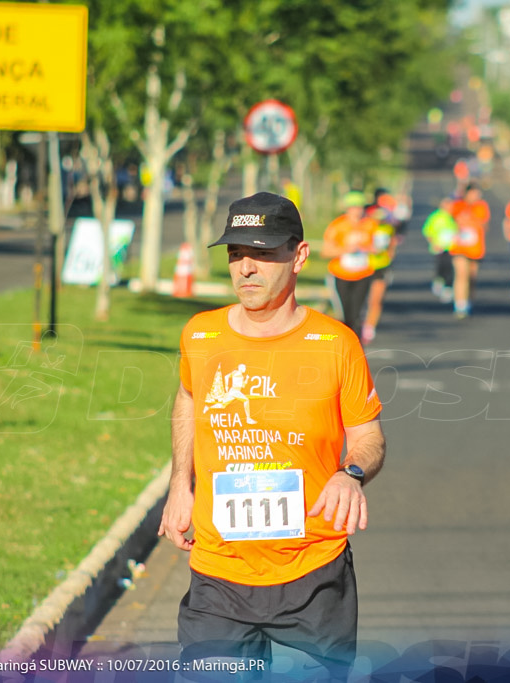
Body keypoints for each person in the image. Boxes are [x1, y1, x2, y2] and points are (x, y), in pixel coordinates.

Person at [159, 191, 386, 680]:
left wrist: (351, 474)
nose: (246, 268)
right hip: (220, 573)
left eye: (262, 253)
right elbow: (189, 399)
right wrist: (181, 485)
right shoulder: (201, 334)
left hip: (312, 571)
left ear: (299, 256)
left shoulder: (336, 345)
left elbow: (368, 435)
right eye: (236, 254)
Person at [321, 191, 379, 341]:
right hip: (341, 274)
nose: (357, 211)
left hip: (363, 274)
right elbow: (325, 251)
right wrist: (345, 249)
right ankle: (345, 344)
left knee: (357, 313)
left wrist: (368, 248)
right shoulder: (338, 226)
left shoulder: (370, 225)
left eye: (360, 207)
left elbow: (378, 248)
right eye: (354, 207)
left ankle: (357, 345)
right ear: (347, 208)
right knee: (344, 314)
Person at [360, 189, 402, 344]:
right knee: (361, 299)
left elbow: (392, 244)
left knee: (376, 299)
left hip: (381, 266)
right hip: (362, 267)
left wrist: (390, 254)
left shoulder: (388, 228)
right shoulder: (363, 226)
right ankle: (357, 323)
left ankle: (369, 328)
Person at [448, 184, 490, 319]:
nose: (475, 196)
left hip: (475, 248)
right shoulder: (457, 205)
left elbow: (484, 224)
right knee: (461, 274)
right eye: (473, 193)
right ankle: (460, 305)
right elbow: (449, 221)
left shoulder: (481, 207)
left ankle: (469, 301)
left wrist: (472, 219)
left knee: (472, 277)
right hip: (460, 247)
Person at [421, 196, 458, 303]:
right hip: (439, 248)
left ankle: (448, 288)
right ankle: (439, 280)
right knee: (441, 267)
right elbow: (427, 230)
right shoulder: (436, 217)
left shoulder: (454, 216)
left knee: (450, 268)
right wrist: (433, 242)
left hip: (452, 248)